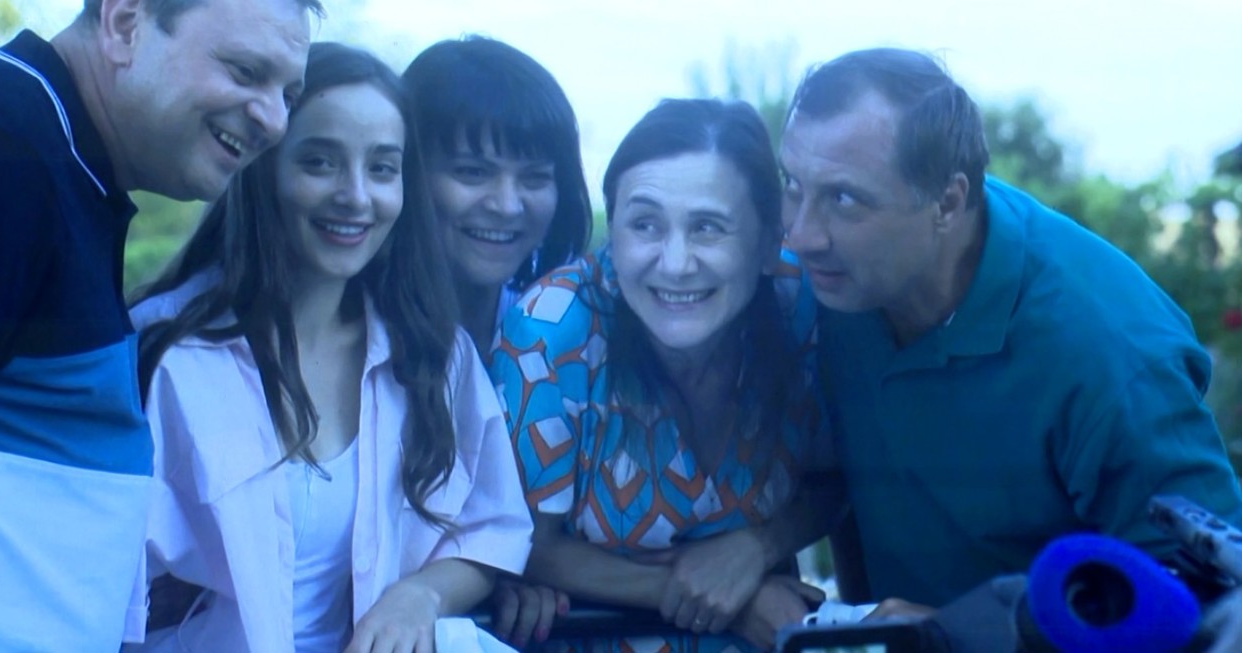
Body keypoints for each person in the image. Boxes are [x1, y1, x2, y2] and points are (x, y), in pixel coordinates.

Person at [778, 47, 1242, 607]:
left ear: (948, 203)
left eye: (843, 198)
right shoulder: (825, 280)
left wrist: (969, 635)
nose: (800, 235)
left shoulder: (1107, 354)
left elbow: (1212, 601)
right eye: (792, 185)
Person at [0, 0, 319, 649]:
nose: (275, 121)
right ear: (126, 23)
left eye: (288, 95)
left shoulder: (59, 157)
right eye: (246, 71)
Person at [125, 43, 533, 652]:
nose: (356, 196)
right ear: (263, 169)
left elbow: (491, 528)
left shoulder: (433, 355)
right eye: (320, 162)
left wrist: (421, 595)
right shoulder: (166, 353)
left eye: (383, 168)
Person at [493, 98, 842, 652]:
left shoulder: (803, 307)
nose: (675, 263)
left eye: (707, 227)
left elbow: (840, 478)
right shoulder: (551, 333)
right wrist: (715, 596)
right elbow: (519, 541)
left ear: (768, 243)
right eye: (645, 225)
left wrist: (758, 547)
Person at [401, 36, 592, 352]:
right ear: (406, 172)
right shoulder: (349, 340)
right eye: (473, 172)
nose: (507, 206)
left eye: (534, 178)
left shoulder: (574, 338)